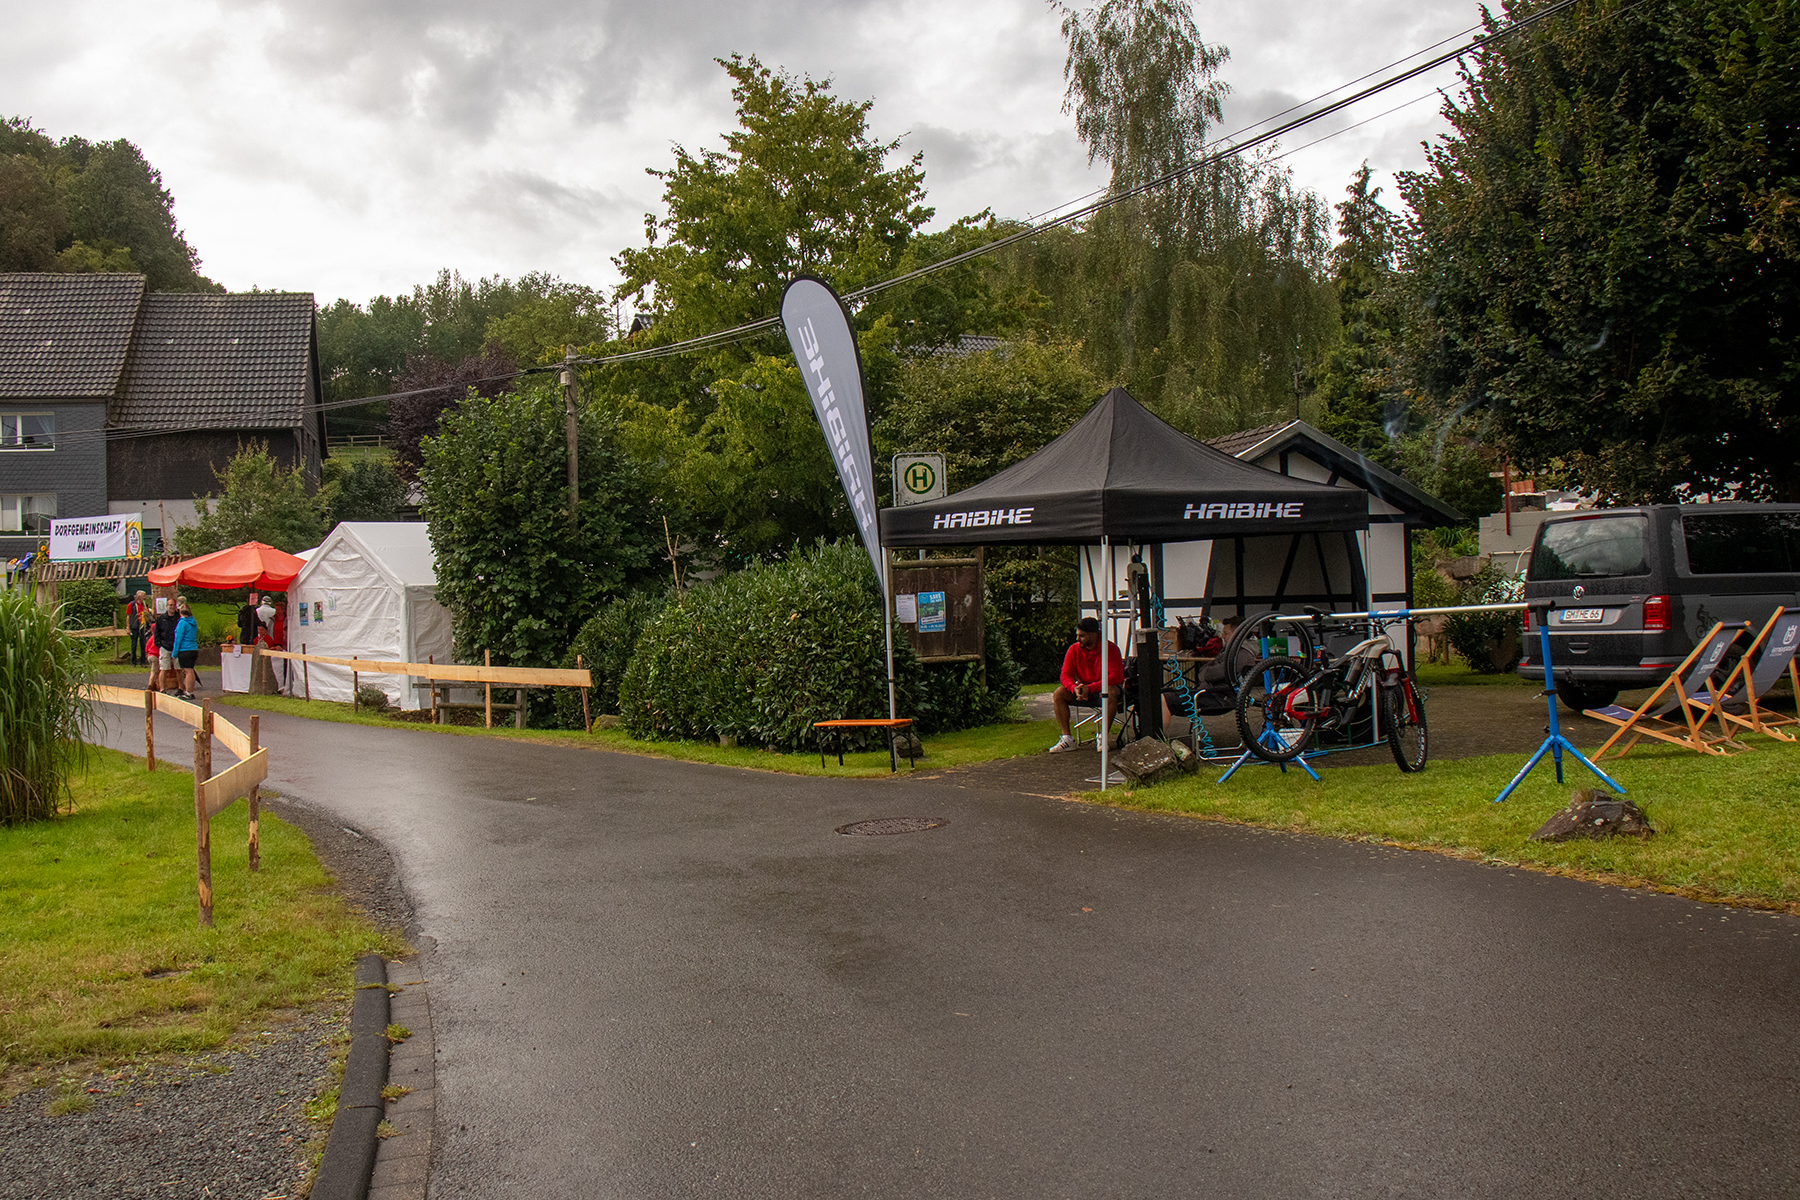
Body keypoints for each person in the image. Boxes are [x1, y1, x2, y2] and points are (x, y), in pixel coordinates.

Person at [1049, 617, 1126, 753]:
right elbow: (1065, 674)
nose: (1078, 639)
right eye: (1077, 635)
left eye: (1082, 636)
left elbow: (1116, 676)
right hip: (1083, 689)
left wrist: (1090, 688)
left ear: (1094, 635)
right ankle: (1067, 738)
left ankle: (1103, 736)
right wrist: (1074, 688)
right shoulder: (1074, 649)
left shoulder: (1110, 649)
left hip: (1103, 689)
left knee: (1110, 692)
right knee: (1059, 693)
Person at [152, 598, 180, 695]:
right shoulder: (161, 619)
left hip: (176, 646)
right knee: (164, 668)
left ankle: (180, 687)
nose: (172, 607)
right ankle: (162, 688)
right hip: (164, 645)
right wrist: (159, 644)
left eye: (173, 605)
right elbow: (157, 632)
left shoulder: (179, 618)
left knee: (179, 669)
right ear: (166, 606)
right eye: (170, 605)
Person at [125, 590, 150, 666]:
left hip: (142, 625)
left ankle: (143, 661)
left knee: (143, 643)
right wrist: (128, 627)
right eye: (143, 596)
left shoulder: (145, 605)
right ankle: (133, 661)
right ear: (139, 597)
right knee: (134, 644)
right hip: (134, 626)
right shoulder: (131, 605)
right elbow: (128, 616)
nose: (144, 597)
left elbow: (147, 613)